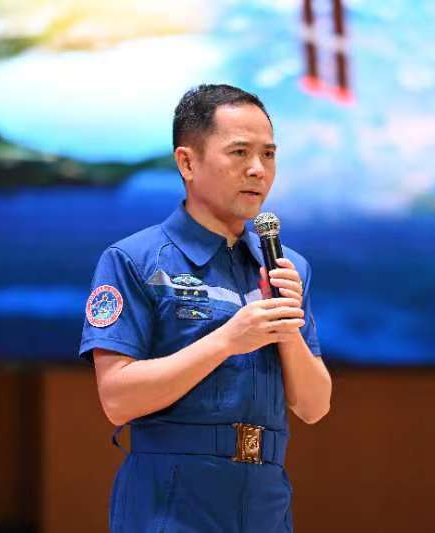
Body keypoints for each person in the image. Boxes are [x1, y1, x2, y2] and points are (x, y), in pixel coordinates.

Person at [79, 83, 332, 532]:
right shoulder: (134, 260)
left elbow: (314, 406)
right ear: (187, 163)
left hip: (266, 499)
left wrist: (287, 325)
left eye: (268, 154)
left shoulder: (287, 268)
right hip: (172, 500)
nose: (257, 169)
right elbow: (116, 399)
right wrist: (228, 340)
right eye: (239, 152)